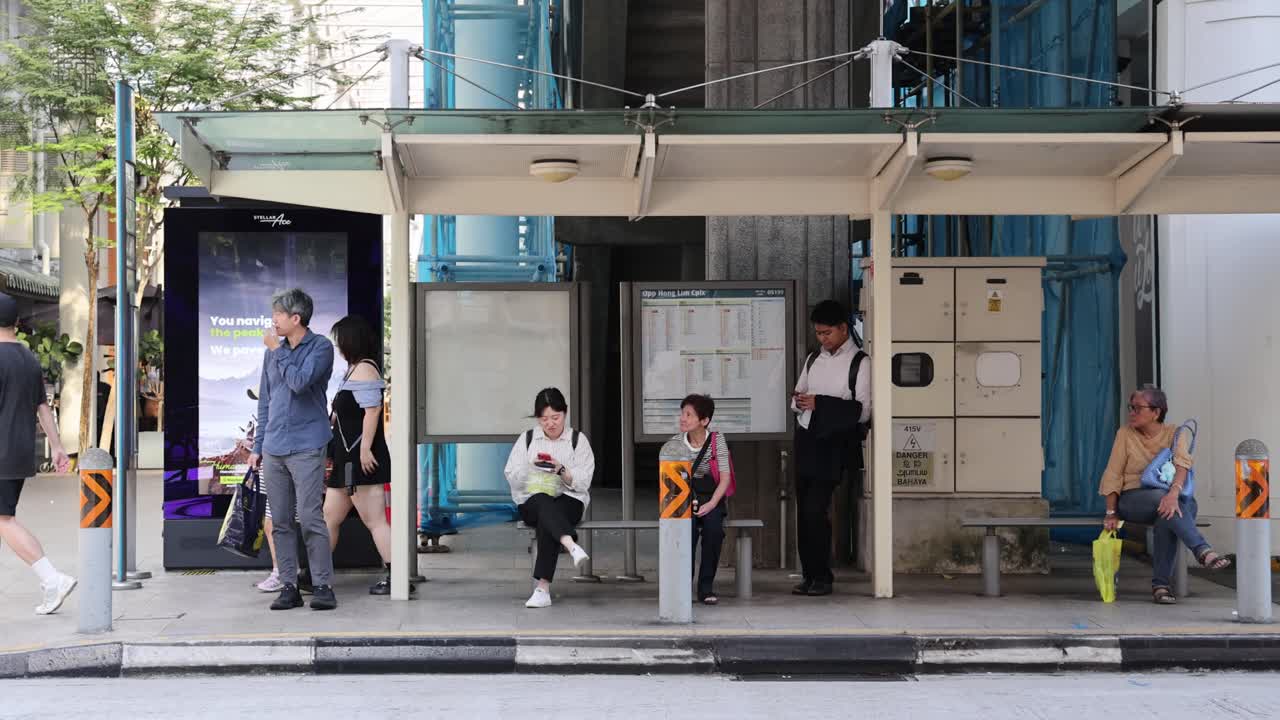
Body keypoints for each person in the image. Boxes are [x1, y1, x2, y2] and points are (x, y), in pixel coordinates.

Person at [248, 288, 338, 611]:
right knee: (281, 521)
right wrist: (258, 446)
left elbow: (299, 382)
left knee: (311, 517)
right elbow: (266, 402)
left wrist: (277, 351)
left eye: (278, 314)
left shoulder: (321, 348)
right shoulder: (272, 352)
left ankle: (322, 584)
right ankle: (289, 585)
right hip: (273, 448)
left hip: (307, 445)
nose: (273, 320)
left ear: (296, 318)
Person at [1100, 385, 1230, 605]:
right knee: (1168, 504)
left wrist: (1173, 493)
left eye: (1137, 408)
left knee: (1167, 515)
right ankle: (1202, 550)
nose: (1131, 412)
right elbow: (1113, 474)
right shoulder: (1125, 434)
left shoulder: (1175, 433)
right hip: (1134, 499)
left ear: (1156, 412)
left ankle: (1161, 586)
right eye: (1131, 407)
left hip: (1172, 497)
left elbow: (1182, 463)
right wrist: (1111, 511)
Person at [0, 292, 75, 615]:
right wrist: (57, 447)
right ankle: (50, 580)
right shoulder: (28, 358)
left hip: (0, 454)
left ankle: (51, 578)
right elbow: (42, 407)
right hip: (17, 452)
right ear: (17, 322)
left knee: (4, 521)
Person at [322, 315, 408, 596]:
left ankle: (397, 576)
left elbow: (372, 411)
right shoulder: (355, 370)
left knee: (375, 521)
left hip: (360, 460)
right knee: (328, 518)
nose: (338, 346)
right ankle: (317, 574)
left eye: (340, 340)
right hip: (349, 460)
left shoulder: (365, 370)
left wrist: (365, 449)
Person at [791, 299, 870, 597]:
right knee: (804, 511)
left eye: (827, 333)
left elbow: (862, 411)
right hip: (807, 439)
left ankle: (823, 576)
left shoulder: (861, 362)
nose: (822, 339)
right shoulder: (813, 359)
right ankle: (810, 575)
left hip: (834, 445)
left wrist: (819, 403)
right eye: (818, 334)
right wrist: (800, 401)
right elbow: (798, 396)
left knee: (816, 510)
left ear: (842, 328)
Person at [503, 388, 595, 609]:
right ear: (538, 419)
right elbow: (512, 477)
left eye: (556, 417)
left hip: (568, 499)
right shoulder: (527, 439)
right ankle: (570, 543)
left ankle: (542, 589)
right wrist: (530, 466)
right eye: (544, 419)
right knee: (543, 502)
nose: (550, 423)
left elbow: (584, 481)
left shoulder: (577, 440)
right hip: (532, 500)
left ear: (565, 414)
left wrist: (561, 470)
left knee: (549, 516)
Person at [673, 394, 733, 605]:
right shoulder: (675, 444)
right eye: (682, 413)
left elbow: (725, 478)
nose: (683, 418)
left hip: (711, 496)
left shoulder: (717, 441)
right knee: (685, 532)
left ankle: (706, 587)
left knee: (714, 531)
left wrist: (711, 504)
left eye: (689, 415)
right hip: (684, 498)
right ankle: (682, 586)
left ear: (704, 420)